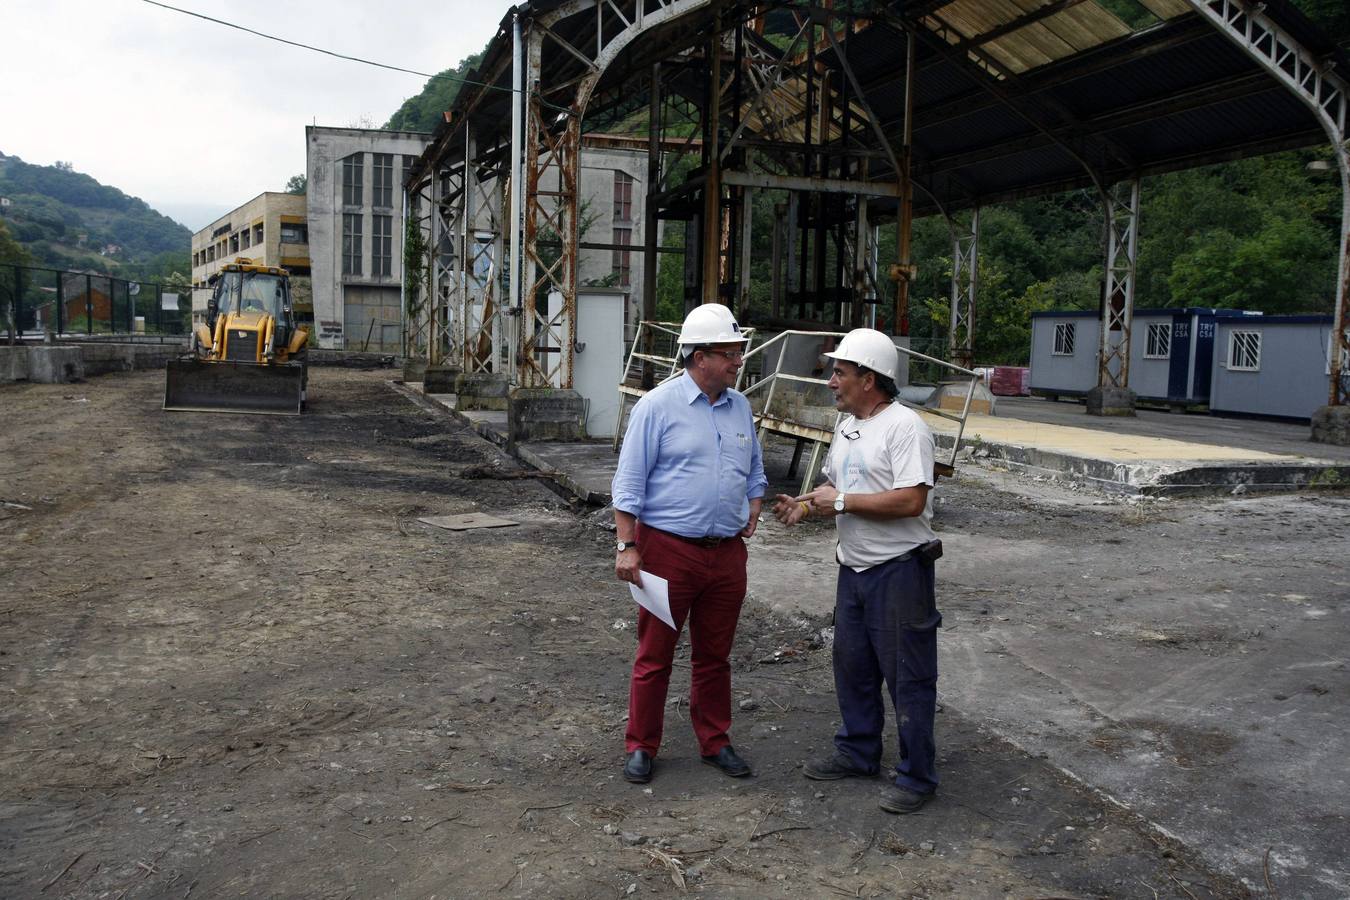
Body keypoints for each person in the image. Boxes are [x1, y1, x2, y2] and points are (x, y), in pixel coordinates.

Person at [772, 327, 942, 814]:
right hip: (855, 571)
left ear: (869, 379)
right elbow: (834, 484)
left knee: (908, 675)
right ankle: (859, 751)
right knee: (853, 668)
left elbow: (912, 500)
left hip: (900, 573)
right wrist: (805, 507)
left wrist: (841, 501)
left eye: (840, 372)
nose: (831, 380)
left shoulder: (905, 428)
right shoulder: (847, 427)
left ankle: (917, 776)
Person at [611, 304, 767, 784]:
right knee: (655, 653)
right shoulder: (657, 407)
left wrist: (755, 502)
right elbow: (628, 484)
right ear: (700, 357)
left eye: (738, 351)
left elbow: (754, 467)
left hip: (726, 556)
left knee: (715, 654)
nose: (739, 360)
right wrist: (626, 546)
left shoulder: (740, 406)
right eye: (731, 352)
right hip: (668, 550)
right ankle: (641, 745)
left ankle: (715, 741)